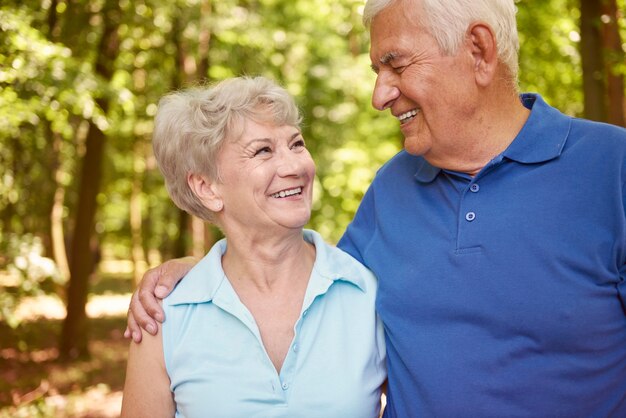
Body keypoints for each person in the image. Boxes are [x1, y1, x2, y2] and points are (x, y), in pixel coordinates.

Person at [127, 0, 626, 416]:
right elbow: (303, 281)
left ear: (478, 50)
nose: (379, 94)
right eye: (377, 71)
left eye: (397, 64)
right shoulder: (393, 189)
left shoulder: (612, 170)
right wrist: (195, 274)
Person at [120, 76, 386, 418]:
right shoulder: (164, 315)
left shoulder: (367, 293)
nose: (294, 166)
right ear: (207, 187)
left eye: (297, 144)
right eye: (263, 151)